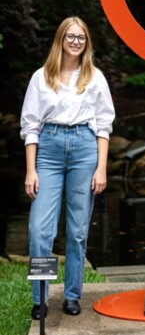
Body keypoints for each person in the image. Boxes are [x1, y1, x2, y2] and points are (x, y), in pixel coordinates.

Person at [20, 17, 115, 319]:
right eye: (71, 36)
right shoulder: (41, 77)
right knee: (40, 231)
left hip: (84, 148)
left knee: (76, 231)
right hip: (48, 150)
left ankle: (73, 294)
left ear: (87, 42)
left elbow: (103, 125)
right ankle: (41, 298)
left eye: (82, 37)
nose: (76, 42)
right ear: (60, 39)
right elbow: (30, 126)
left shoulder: (95, 77)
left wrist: (101, 168)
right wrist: (31, 169)